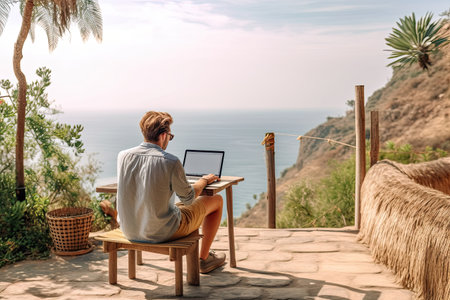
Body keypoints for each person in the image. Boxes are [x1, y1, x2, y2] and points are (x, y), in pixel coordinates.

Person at [116, 111, 226, 274]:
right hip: (162, 231)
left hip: (129, 229)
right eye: (170, 136)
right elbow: (188, 198)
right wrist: (203, 181)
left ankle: (203, 257)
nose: (169, 140)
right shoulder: (170, 161)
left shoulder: (123, 156)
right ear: (163, 135)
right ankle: (203, 259)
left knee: (177, 204)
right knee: (216, 200)